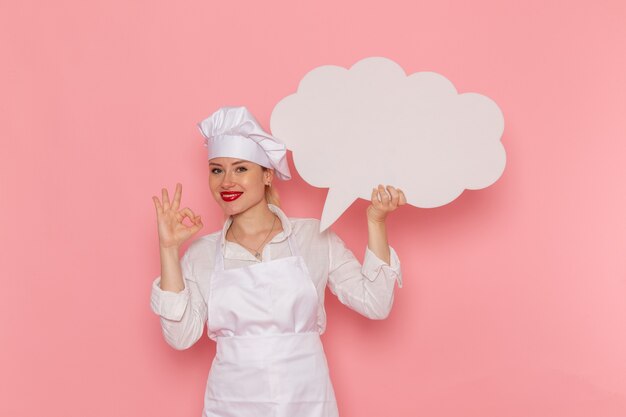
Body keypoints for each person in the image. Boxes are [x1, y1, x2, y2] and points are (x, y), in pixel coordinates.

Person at [150, 106, 406, 417]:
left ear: (267, 174)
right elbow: (180, 338)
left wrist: (376, 222)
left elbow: (376, 304)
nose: (226, 181)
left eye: (241, 169)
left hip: (307, 401)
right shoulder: (201, 254)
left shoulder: (314, 236)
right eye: (217, 170)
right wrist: (168, 250)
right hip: (231, 405)